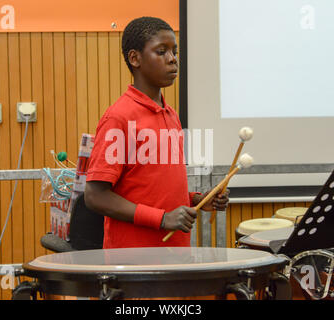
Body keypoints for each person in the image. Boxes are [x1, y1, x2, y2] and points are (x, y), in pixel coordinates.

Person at [84, 16, 229, 249]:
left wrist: (197, 200)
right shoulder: (119, 117)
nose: (173, 59)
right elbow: (95, 196)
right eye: (161, 52)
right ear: (135, 58)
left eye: (175, 51)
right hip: (134, 263)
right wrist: (162, 219)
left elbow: (152, 188)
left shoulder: (170, 114)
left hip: (175, 255)